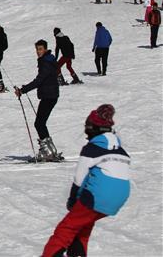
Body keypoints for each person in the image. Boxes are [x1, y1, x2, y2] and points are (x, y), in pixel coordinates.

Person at [41, 105, 130, 257]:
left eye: (87, 128)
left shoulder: (92, 149)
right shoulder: (121, 151)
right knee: (83, 223)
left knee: (67, 228)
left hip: (99, 195)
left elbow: (79, 179)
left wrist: (72, 200)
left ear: (93, 128)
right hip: (120, 197)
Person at [15, 40, 61, 161]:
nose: (38, 52)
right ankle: (50, 150)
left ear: (45, 49)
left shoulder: (45, 62)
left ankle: (47, 152)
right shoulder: (48, 60)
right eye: (37, 49)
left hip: (49, 95)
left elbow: (39, 80)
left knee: (39, 124)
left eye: (40, 49)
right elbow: (42, 79)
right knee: (41, 123)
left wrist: (23, 90)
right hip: (51, 95)